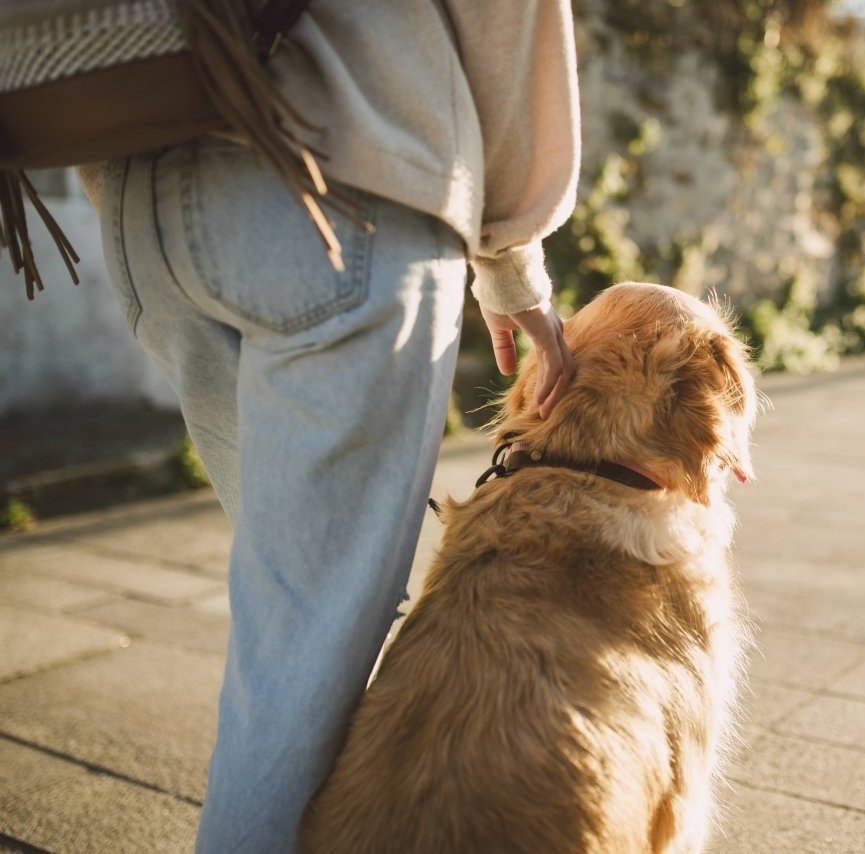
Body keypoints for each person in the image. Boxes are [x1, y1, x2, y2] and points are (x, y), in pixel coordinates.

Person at [82, 1, 579, 850]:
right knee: (306, 642)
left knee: (290, 619)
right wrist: (511, 260)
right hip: (340, 174)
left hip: (140, 196)